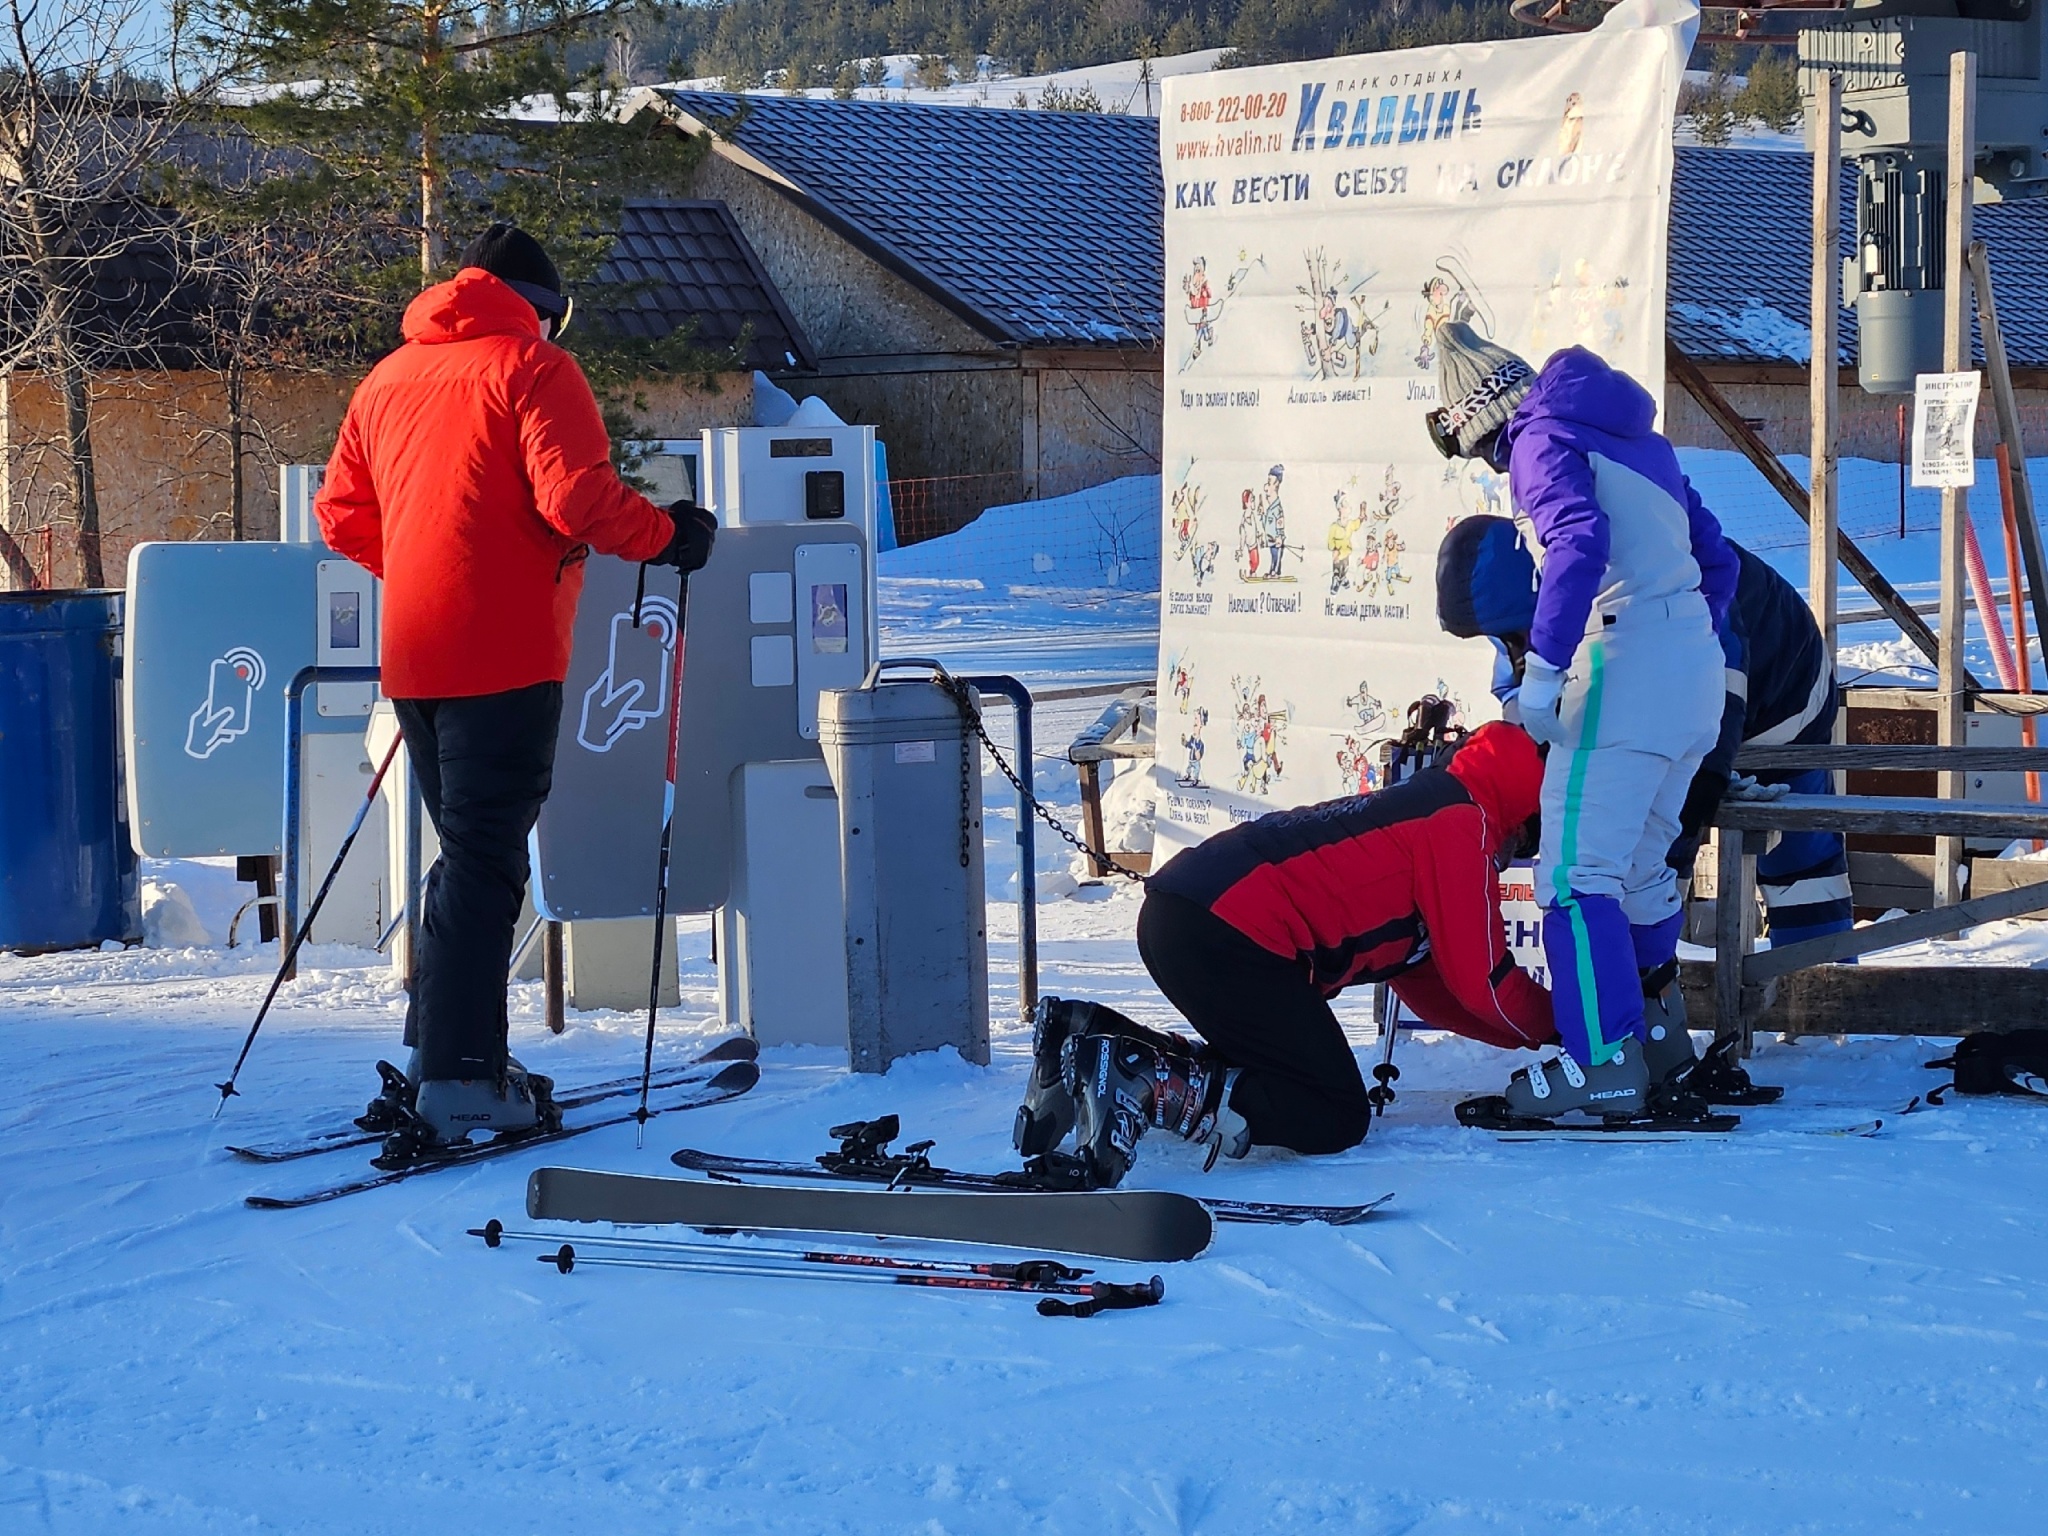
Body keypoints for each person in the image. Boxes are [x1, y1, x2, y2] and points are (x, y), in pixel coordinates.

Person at [314, 224, 717, 1160]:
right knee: (487, 861)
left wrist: (428, 570)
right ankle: (461, 1081)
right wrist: (670, 536)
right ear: (543, 309)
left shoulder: (388, 378)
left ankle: (440, 1058)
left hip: (417, 655)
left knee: (466, 855)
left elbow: (340, 516)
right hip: (506, 654)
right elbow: (577, 499)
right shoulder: (533, 369)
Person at [1013, 721, 1552, 1187]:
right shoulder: (1461, 824)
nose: (1515, 857)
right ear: (1526, 810)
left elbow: (1438, 988)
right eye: (1528, 841)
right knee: (1332, 1111)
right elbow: (1485, 984)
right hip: (1229, 931)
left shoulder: (1431, 806)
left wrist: (1541, 1035)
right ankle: (1143, 1081)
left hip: (1186, 913)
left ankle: (1085, 1034)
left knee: (1271, 1068)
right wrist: (1574, 1030)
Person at [1424, 323, 1737, 1123]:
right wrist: (1684, 636)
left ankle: (1603, 1061)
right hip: (1693, 671)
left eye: (1470, 447)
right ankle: (1661, 1042)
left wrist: (1546, 669)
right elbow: (1719, 559)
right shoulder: (1640, 440)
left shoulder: (1539, 440)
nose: (1491, 468)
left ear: (1479, 422)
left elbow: (1577, 544)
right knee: (1639, 872)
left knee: (1575, 877)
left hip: (1622, 667)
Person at [1437, 515, 1845, 1102]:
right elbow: (1527, 695)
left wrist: (1709, 772)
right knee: (1634, 857)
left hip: (1782, 703)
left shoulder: (1646, 566)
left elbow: (1719, 664)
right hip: (1668, 704)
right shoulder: (1539, 591)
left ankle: (1828, 1016)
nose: (1509, 645)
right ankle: (1652, 1034)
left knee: (1795, 864)